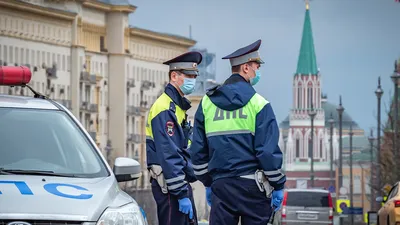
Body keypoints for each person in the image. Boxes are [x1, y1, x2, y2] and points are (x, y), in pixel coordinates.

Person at [189, 40, 286, 225]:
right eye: (256, 66)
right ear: (246, 68)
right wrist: (278, 184)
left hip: (221, 187)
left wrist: (208, 182)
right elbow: (267, 152)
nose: (258, 71)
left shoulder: (207, 103)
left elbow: (198, 151)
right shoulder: (260, 104)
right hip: (253, 188)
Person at [146, 51, 202, 225]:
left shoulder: (177, 107)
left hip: (178, 185)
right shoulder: (165, 108)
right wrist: (180, 193)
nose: (193, 79)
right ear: (174, 76)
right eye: (189, 75)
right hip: (171, 188)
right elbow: (169, 154)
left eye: (194, 75)